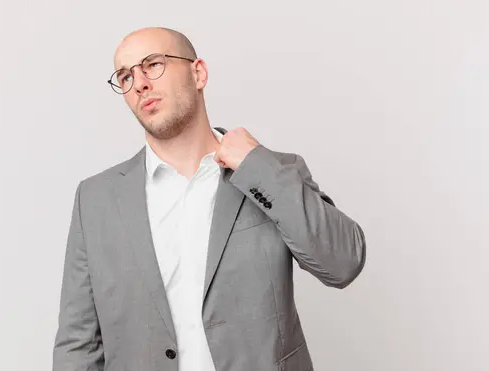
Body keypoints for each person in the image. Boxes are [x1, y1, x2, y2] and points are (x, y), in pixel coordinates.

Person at [52, 26, 366, 371]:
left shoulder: (273, 173)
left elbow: (343, 263)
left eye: (153, 64)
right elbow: (78, 343)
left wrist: (257, 167)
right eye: (125, 76)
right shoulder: (96, 199)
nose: (139, 83)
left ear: (197, 73)